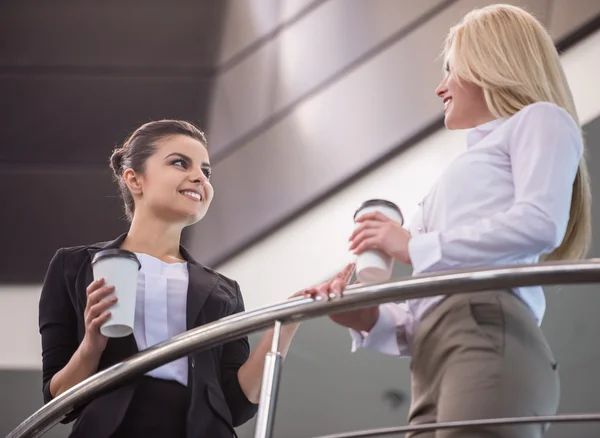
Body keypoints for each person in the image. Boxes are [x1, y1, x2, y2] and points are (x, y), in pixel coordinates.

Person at [313, 4, 592, 438]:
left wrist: (411, 247)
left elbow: (541, 222)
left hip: (486, 332)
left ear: (491, 60)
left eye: (451, 69)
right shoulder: (453, 179)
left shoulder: (540, 120)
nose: (441, 88)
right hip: (430, 354)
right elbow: (426, 309)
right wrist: (365, 315)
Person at [39, 119, 354, 438]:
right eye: (180, 163)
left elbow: (236, 403)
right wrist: (92, 344)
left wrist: (288, 318)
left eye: (206, 171)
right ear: (135, 179)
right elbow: (58, 399)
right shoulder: (75, 266)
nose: (198, 177)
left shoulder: (224, 291)